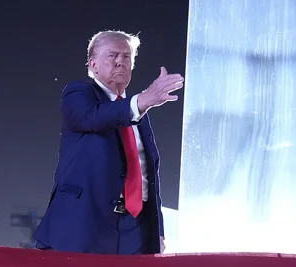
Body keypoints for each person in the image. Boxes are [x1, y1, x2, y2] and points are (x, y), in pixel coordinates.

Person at [33, 30, 184, 255]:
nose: (121, 62)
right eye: (112, 56)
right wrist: (143, 100)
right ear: (93, 64)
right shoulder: (78, 93)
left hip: (137, 229)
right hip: (87, 224)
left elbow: (148, 177)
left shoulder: (138, 112)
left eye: (127, 57)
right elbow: (93, 117)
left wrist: (157, 231)